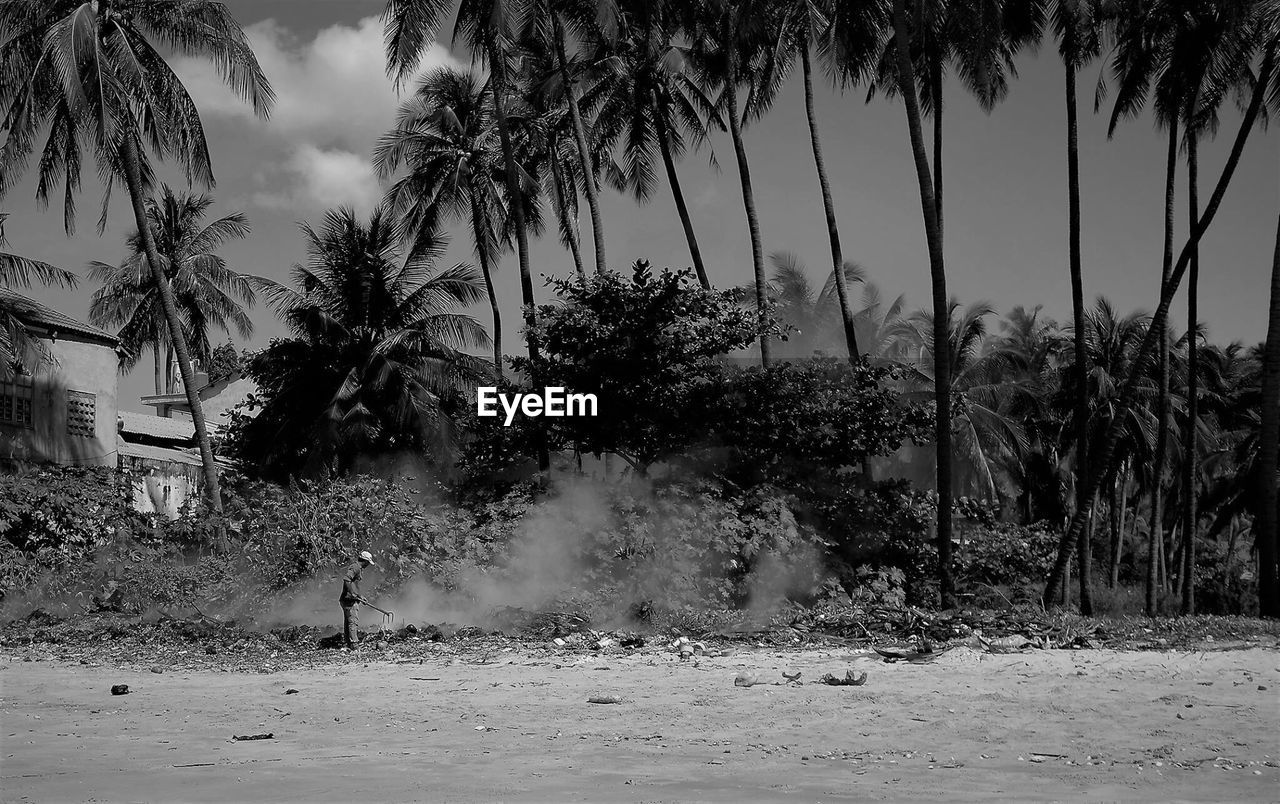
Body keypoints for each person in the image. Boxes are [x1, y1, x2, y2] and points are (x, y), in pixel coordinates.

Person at [339, 550, 376, 651]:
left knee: (348, 622)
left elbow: (355, 584)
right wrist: (351, 593)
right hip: (349, 600)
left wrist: (360, 596)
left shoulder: (358, 569)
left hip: (348, 599)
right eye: (368, 563)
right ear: (365, 561)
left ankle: (349, 644)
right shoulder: (355, 567)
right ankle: (354, 645)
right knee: (353, 622)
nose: (368, 565)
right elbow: (346, 579)